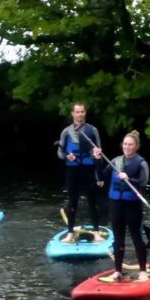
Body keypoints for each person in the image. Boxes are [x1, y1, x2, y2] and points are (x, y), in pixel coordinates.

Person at [98, 131, 150, 281]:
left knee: (136, 237)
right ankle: (118, 270)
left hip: (132, 206)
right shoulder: (115, 161)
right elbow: (101, 176)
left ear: (136, 146)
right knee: (118, 239)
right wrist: (97, 159)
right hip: (116, 205)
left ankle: (142, 271)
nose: (127, 147)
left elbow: (143, 182)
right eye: (125, 144)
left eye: (130, 144)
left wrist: (129, 179)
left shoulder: (141, 163)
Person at [57, 102, 104, 242]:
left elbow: (98, 151)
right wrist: (67, 156)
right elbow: (59, 152)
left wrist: (98, 159)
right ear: (72, 114)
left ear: (85, 113)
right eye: (77, 112)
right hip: (73, 170)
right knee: (73, 201)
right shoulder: (66, 132)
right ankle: (70, 232)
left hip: (89, 170)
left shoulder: (92, 130)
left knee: (92, 201)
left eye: (82, 111)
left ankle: (96, 231)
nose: (80, 114)